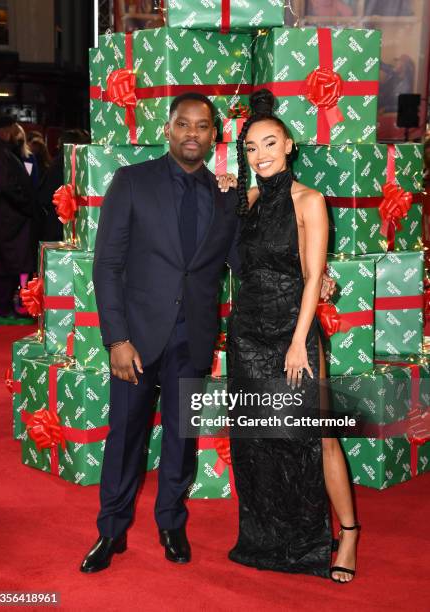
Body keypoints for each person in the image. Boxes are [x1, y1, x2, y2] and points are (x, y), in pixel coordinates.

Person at [80, 92, 335, 574]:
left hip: (192, 339)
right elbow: (107, 265)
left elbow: (251, 260)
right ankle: (110, 531)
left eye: (202, 126)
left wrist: (316, 275)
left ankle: (171, 523)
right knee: (125, 437)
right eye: (183, 124)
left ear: (214, 134)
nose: (192, 133)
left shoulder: (228, 198)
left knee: (181, 436)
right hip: (134, 340)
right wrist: (115, 338)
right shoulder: (131, 182)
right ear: (169, 129)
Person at [219, 89, 360, 583]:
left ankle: (348, 534)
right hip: (248, 336)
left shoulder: (310, 200)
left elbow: (312, 276)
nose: (261, 155)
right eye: (252, 147)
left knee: (318, 436)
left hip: (291, 333)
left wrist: (300, 340)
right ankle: (271, 539)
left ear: (290, 144)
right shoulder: (246, 200)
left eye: (270, 143)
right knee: (259, 440)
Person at [0, 115, 35, 324]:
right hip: (7, 221)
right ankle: (5, 311)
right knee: (6, 266)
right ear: (6, 130)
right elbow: (7, 186)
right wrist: (27, 205)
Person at [36, 128, 90, 242]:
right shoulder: (83, 164)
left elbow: (44, 196)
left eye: (59, 143)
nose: (56, 146)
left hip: (59, 223)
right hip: (77, 223)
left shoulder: (58, 164)